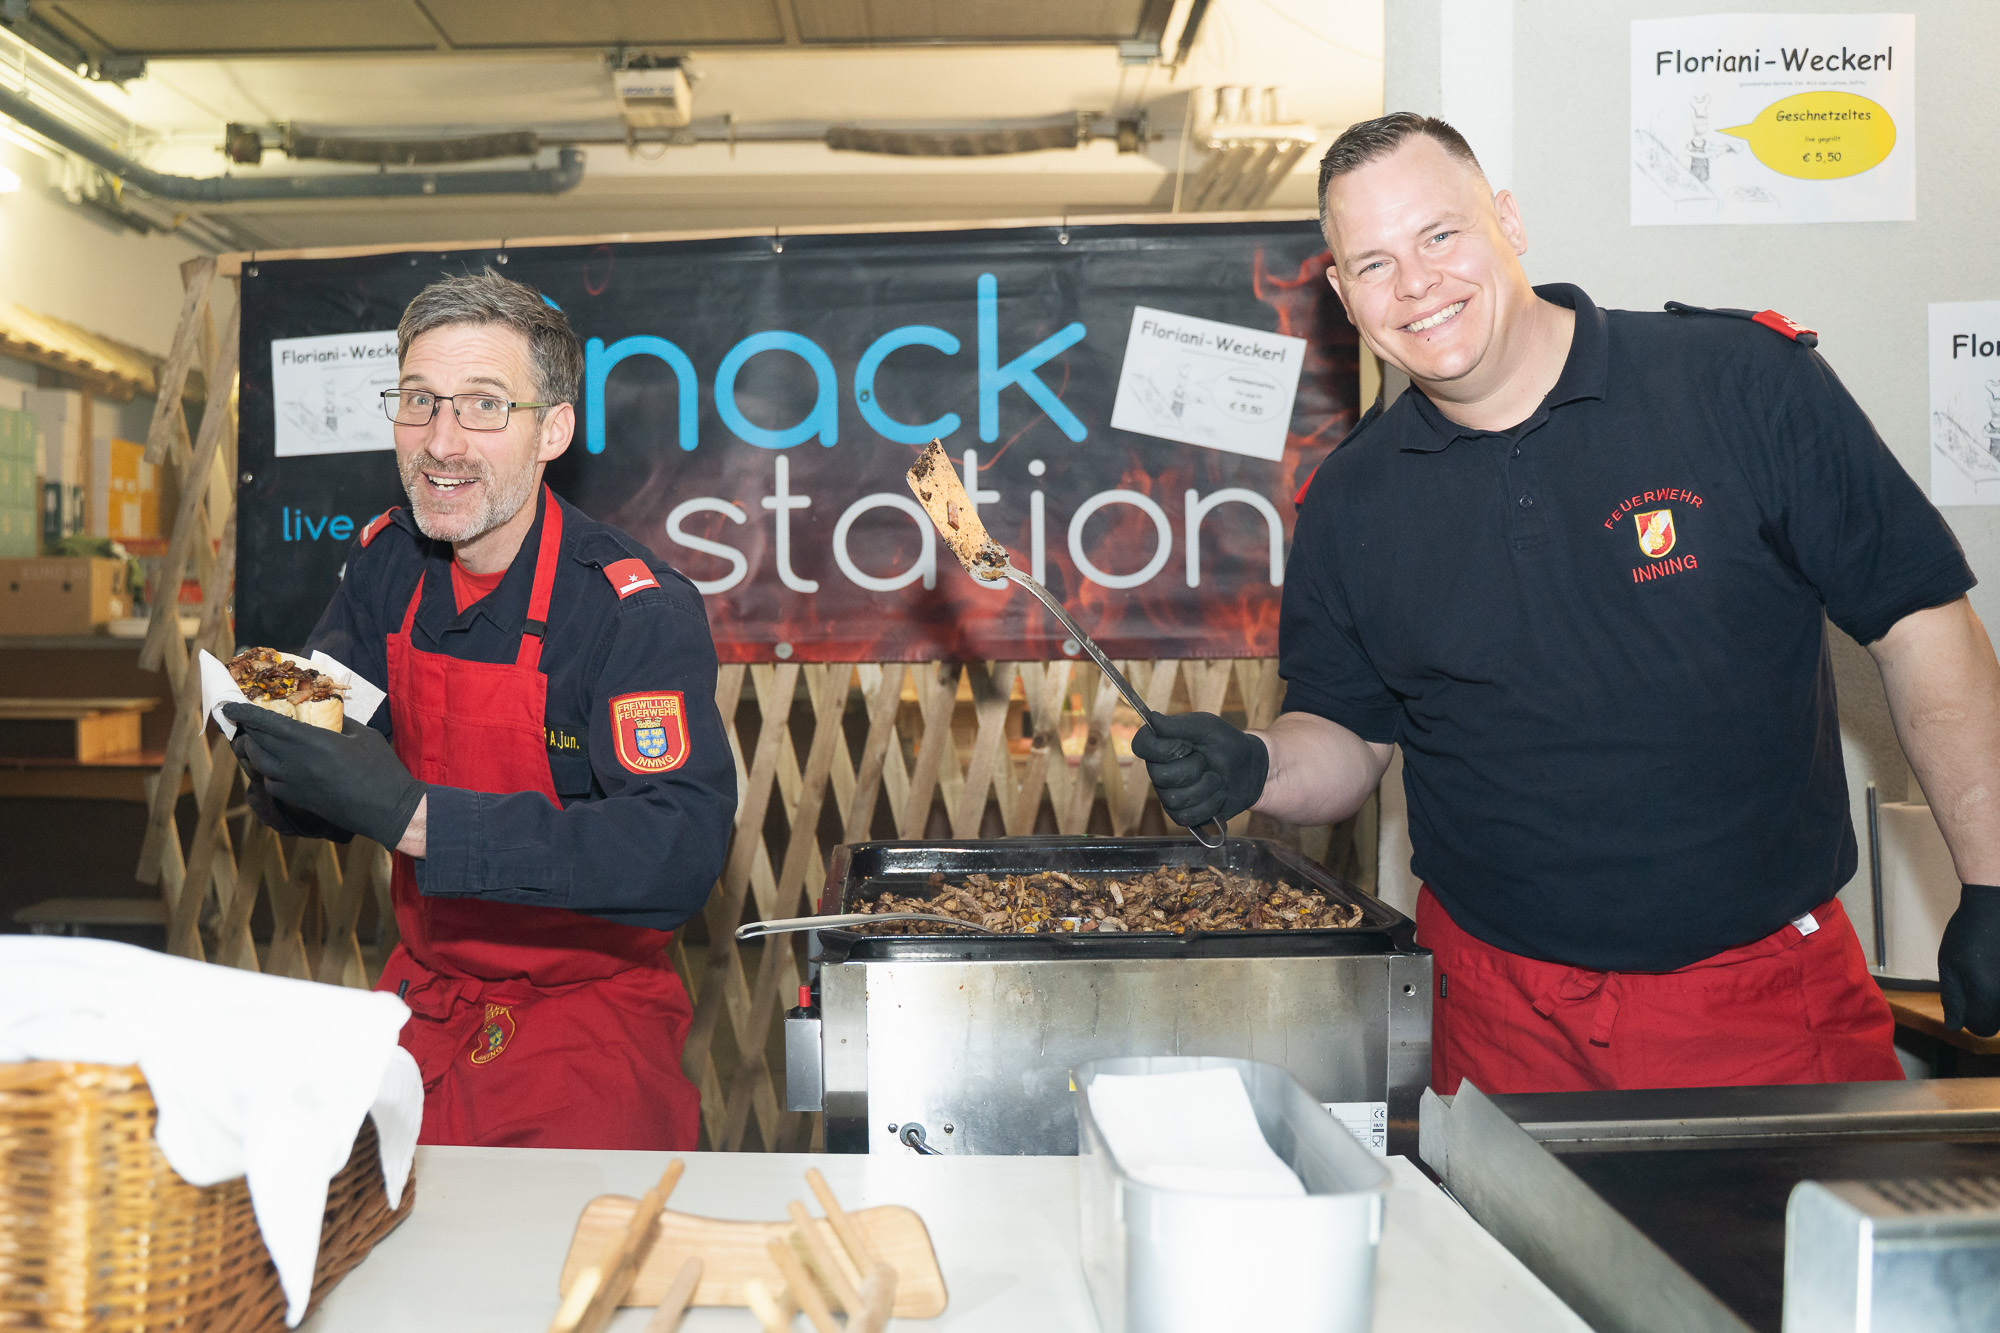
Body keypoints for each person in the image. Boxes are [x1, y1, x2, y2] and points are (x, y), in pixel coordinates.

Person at [1134, 113, 2000, 1096]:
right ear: (1342, 293)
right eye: (1374, 263)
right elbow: (1350, 736)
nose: (1415, 283)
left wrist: (1990, 878)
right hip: (1494, 1013)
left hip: (1758, 1000)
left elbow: (1919, 624)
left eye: (1439, 234)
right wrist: (1257, 762)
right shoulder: (1349, 502)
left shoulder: (1739, 382)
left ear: (1507, 220)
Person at [226, 270, 736, 1149]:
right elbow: (337, 764)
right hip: (419, 1013)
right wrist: (281, 766)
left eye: (485, 406)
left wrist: (418, 818)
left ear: (553, 430)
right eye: (418, 400)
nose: (441, 441)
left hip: (584, 1037)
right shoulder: (385, 565)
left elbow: (675, 848)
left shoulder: (631, 610)